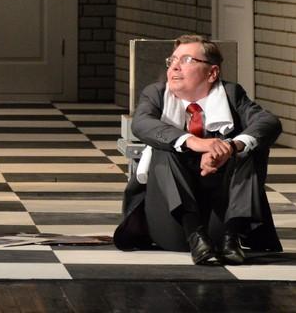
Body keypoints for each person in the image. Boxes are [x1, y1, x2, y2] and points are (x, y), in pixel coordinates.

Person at [113, 34, 282, 265]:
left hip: (219, 221)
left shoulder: (231, 94)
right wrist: (193, 142)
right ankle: (196, 237)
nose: (175, 67)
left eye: (186, 60)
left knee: (250, 146)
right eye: (172, 60)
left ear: (212, 73)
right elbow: (141, 123)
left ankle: (231, 238)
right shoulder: (156, 93)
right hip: (172, 223)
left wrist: (230, 147)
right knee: (165, 148)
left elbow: (268, 122)